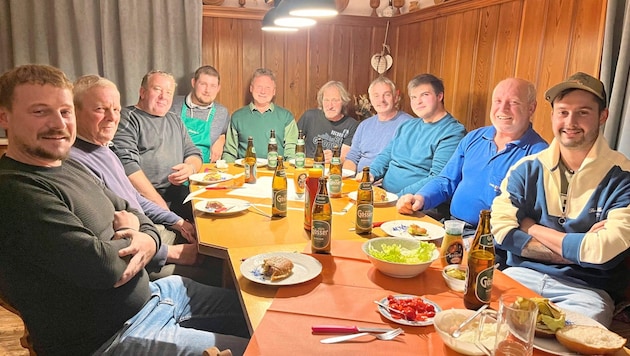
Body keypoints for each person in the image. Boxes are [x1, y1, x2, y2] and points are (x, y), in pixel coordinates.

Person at [0, 64, 249, 355]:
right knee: (260, 348)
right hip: (111, 335)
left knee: (258, 311)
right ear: (5, 117)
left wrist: (141, 234)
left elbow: (132, 210)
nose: (58, 123)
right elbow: (105, 267)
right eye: (40, 111)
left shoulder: (67, 165)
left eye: (64, 112)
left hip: (155, 296)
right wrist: (136, 234)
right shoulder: (16, 191)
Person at [491, 72, 630, 326]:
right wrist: (581, 248)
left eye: (583, 112)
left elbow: (604, 251)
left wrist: (531, 227)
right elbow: (501, 230)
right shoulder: (527, 168)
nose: (571, 121)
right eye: (563, 112)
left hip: (586, 292)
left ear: (603, 116)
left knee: (573, 341)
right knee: (483, 327)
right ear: (553, 115)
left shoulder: (623, 178)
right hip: (520, 276)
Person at [70, 75, 221, 286]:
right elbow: (110, 237)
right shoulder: (76, 162)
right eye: (99, 109)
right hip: (143, 248)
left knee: (218, 249)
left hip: (155, 224)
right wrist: (172, 252)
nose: (112, 117)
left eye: (115, 109)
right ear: (74, 112)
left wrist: (177, 222)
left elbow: (134, 201)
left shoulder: (105, 150)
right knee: (218, 275)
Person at [397, 78, 548, 238]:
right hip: (451, 226)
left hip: (492, 240)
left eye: (514, 102)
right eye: (498, 101)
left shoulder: (539, 155)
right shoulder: (475, 137)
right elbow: (446, 180)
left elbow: (530, 219)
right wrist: (421, 198)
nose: (503, 109)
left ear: (531, 108)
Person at [111, 70, 202, 221]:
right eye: (157, 90)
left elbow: (194, 153)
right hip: (143, 202)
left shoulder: (175, 120)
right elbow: (128, 167)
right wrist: (167, 214)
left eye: (168, 92)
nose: (163, 96)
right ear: (142, 92)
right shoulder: (127, 118)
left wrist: (190, 168)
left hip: (176, 195)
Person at [369, 73, 466, 196]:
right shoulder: (407, 126)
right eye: (413, 97)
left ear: (439, 96)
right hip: (384, 194)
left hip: (417, 204)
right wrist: (370, 174)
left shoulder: (453, 132)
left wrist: (396, 198)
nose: (418, 102)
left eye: (424, 95)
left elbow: (437, 179)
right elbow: (386, 156)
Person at [222, 68, 298, 162]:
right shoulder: (237, 117)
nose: (263, 92)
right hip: (245, 171)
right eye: (259, 87)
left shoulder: (286, 117)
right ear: (251, 88)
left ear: (274, 91)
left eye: (268, 88)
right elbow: (230, 153)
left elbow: (291, 153)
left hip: (276, 172)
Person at [343, 76, 413, 174]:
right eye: (376, 96)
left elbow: (406, 162)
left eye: (387, 95)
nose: (381, 100)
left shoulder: (409, 125)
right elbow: (352, 157)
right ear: (370, 99)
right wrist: (346, 178)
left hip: (385, 183)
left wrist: (379, 178)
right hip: (359, 181)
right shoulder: (364, 125)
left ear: (396, 97)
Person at [170, 65, 230, 163]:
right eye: (203, 84)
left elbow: (230, 134)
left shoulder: (222, 112)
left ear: (218, 88)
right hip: (175, 170)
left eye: (213, 86)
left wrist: (222, 138)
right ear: (193, 83)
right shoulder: (172, 105)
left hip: (205, 173)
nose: (208, 90)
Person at [297, 80, 358, 162]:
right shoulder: (310, 116)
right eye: (326, 100)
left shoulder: (351, 125)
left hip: (333, 169)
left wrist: (334, 158)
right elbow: (293, 143)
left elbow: (346, 159)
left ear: (343, 102)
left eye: (335, 100)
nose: (330, 106)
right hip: (309, 166)